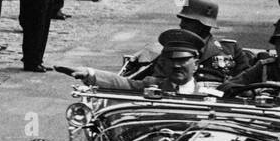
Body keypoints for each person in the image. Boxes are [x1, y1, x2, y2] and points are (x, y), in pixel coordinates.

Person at [73, 29, 219, 95]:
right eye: (171, 60)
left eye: (182, 60)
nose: (176, 65)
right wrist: (89, 73)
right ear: (163, 64)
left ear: (196, 64)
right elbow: (122, 83)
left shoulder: (207, 95)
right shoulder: (152, 85)